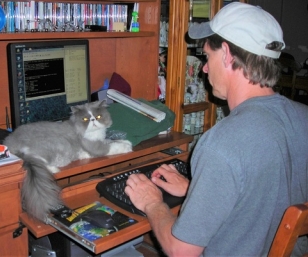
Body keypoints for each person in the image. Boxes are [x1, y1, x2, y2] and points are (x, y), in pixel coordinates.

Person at [125, 2, 308, 256]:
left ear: (227, 54)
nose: (205, 68)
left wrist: (152, 203)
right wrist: (195, 189)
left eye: (208, 57)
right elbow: (264, 196)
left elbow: (180, 251)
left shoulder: (221, 143)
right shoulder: (303, 117)